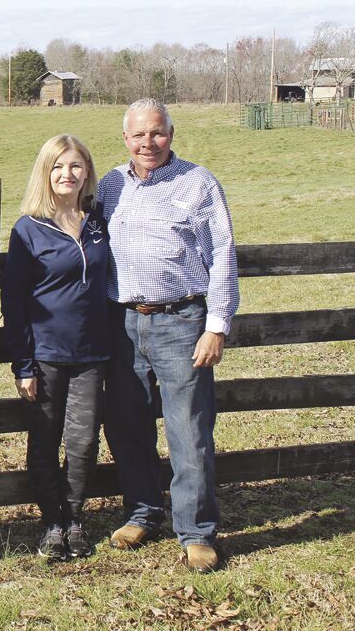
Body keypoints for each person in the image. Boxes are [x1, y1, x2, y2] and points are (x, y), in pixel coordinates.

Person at [97, 98, 238, 574]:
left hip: (180, 322)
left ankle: (196, 531)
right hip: (122, 323)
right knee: (126, 424)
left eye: (156, 133)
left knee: (189, 430)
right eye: (138, 135)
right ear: (125, 139)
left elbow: (222, 256)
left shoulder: (198, 183)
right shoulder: (111, 185)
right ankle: (142, 512)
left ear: (171, 134)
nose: (147, 143)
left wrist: (216, 325)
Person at [2, 135, 110, 562]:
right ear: (45, 173)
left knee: (83, 442)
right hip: (46, 356)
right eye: (58, 167)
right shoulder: (29, 229)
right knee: (45, 441)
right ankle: (51, 523)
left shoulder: (101, 222)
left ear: (87, 172)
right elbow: (13, 303)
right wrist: (23, 365)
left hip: (93, 354)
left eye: (76, 166)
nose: (67, 174)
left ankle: (76, 520)